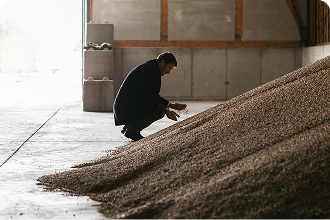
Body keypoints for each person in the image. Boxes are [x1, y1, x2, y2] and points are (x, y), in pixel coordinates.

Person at [113, 52, 187, 141]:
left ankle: (129, 127)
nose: (168, 72)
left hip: (126, 106)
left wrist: (167, 110)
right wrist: (170, 105)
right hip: (125, 108)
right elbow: (151, 96)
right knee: (159, 109)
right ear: (162, 62)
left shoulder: (151, 68)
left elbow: (147, 96)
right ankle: (132, 130)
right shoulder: (150, 70)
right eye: (169, 68)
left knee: (161, 108)